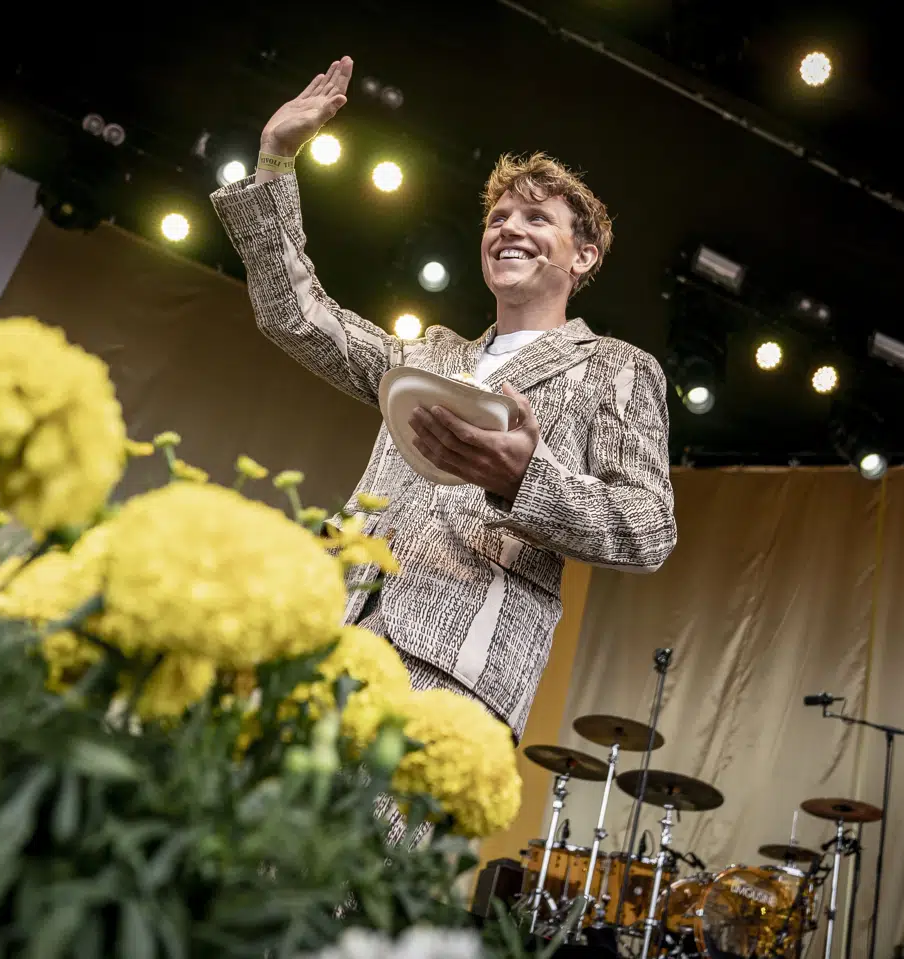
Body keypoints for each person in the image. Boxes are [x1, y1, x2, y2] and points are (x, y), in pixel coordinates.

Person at [211, 55, 676, 745]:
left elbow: (649, 528)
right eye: (499, 215)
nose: (508, 227)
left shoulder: (617, 368)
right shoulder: (426, 355)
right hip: (321, 638)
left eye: (537, 217)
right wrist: (276, 159)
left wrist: (525, 480)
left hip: (448, 674)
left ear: (582, 257)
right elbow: (297, 314)